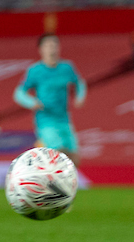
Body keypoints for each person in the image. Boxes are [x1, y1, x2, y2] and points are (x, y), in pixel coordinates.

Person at [13, 34, 86, 166]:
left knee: (75, 160)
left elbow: (79, 83)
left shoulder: (66, 67)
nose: (52, 49)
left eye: (55, 45)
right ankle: (42, 149)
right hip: (45, 120)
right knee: (59, 153)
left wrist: (79, 97)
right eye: (48, 46)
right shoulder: (35, 70)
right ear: (41, 49)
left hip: (64, 118)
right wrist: (32, 102)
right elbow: (19, 93)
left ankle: (41, 149)